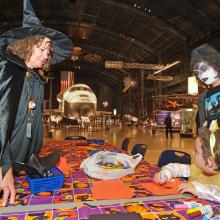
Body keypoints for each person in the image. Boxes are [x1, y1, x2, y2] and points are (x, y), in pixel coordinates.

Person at [0, 0, 73, 206]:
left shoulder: (34, 79)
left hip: (17, 163)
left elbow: (30, 121)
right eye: (41, 49)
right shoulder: (8, 71)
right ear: (25, 46)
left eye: (48, 52)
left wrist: (32, 155)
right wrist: (3, 168)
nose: (46, 56)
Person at [154, 126, 220, 203]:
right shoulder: (196, 168)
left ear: (209, 161)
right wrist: (165, 174)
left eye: (196, 151)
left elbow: (217, 193)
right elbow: (175, 168)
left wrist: (198, 189)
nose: (193, 153)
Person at [191, 44, 220, 130]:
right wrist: (200, 137)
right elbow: (202, 125)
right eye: (197, 73)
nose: (201, 75)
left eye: (203, 68)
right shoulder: (203, 97)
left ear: (215, 63)